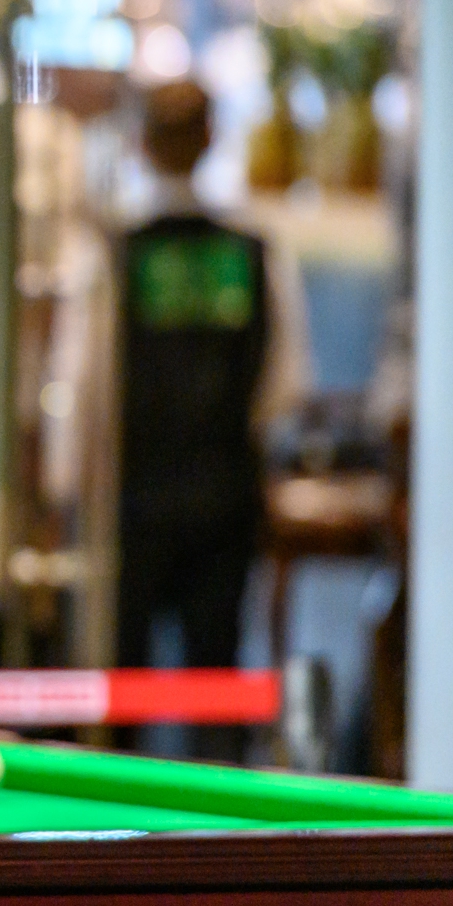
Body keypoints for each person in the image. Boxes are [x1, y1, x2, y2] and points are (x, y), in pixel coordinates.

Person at [113, 79, 308, 761]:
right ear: (212, 139)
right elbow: (285, 387)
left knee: (121, 689)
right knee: (216, 680)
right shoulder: (255, 250)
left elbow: (85, 389)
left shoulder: (114, 251)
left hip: (131, 498)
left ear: (140, 144)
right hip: (225, 492)